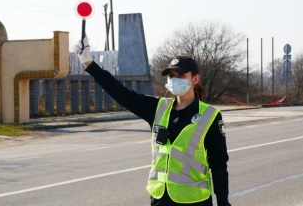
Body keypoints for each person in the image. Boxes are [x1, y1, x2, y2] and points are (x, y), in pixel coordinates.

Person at [76, 36, 231, 206]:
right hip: (159, 199)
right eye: (171, 75)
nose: (174, 79)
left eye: (181, 75)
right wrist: (89, 63)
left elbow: (219, 164)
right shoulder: (158, 108)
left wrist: (223, 203)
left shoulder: (210, 116)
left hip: (193, 200)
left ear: (195, 79)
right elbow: (120, 92)